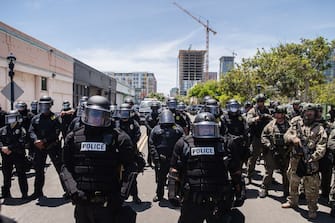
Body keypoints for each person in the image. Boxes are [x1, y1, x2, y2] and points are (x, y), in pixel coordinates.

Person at [60, 95, 137, 223]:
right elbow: (65, 167)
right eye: (92, 114)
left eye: (99, 115)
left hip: (109, 203)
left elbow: (131, 167)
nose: (95, 118)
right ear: (85, 113)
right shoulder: (73, 138)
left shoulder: (119, 138)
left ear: (107, 116)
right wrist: (73, 191)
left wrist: (121, 194)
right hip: (82, 203)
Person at [168, 112, 244, 223]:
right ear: (194, 129)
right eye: (202, 129)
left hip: (219, 200)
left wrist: (240, 192)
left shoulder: (226, 144)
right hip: (192, 200)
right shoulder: (183, 144)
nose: (206, 132)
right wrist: (172, 192)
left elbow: (236, 171)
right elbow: (175, 170)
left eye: (209, 128)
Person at [282, 103, 327, 219]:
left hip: (311, 161)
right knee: (293, 181)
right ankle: (292, 201)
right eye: (307, 111)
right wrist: (293, 138)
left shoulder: (319, 128)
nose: (309, 113)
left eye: (311, 111)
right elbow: (286, 135)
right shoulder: (296, 123)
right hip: (295, 160)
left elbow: (322, 147)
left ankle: (312, 209)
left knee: (312, 187)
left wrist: (312, 158)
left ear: (315, 113)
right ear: (303, 112)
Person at [28, 95, 63, 200]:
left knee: (60, 169)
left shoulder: (55, 117)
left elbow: (56, 132)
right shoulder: (36, 118)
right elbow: (31, 131)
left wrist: (44, 140)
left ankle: (69, 191)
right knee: (38, 170)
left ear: (50, 105)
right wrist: (35, 140)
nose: (44, 107)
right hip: (39, 147)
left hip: (52, 146)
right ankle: (37, 192)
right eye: (42, 105)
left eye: (46, 105)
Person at [149, 109, 183, 202]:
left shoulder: (177, 129)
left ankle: (174, 196)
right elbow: (151, 144)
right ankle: (159, 195)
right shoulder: (156, 129)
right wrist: (155, 156)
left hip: (174, 158)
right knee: (161, 179)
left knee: (175, 178)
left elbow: (183, 142)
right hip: (162, 158)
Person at [220, 99, 249, 202]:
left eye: (235, 106)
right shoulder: (223, 118)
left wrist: (246, 144)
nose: (234, 108)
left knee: (238, 168)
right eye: (232, 106)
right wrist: (231, 138)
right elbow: (222, 133)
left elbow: (246, 131)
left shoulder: (241, 118)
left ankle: (238, 189)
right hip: (228, 146)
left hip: (240, 146)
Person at [259, 105, 290, 198]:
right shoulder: (270, 125)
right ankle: (264, 188)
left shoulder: (290, 125)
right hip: (271, 151)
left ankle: (286, 190)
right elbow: (263, 136)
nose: (279, 116)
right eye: (277, 114)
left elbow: (294, 136)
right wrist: (268, 145)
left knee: (286, 172)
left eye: (281, 114)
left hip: (286, 151)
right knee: (269, 171)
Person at [0, 110, 28, 199]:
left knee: (21, 174)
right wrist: (2, 148)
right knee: (6, 174)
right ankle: (6, 193)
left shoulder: (21, 129)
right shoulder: (3, 129)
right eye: (9, 118)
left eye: (13, 118)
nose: (11, 120)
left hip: (18, 155)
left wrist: (9, 148)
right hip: (6, 155)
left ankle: (24, 193)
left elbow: (21, 141)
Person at [246, 93, 272, 184]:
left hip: (266, 137)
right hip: (256, 138)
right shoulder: (253, 111)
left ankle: (268, 179)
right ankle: (249, 176)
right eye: (259, 101)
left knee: (268, 159)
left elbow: (272, 120)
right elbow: (248, 120)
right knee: (253, 158)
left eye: (262, 101)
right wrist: (256, 118)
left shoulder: (267, 110)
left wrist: (268, 117)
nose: (261, 103)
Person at [119, 103, 142, 204]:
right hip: (118, 153)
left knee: (132, 175)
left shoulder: (134, 123)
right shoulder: (116, 122)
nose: (124, 115)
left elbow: (138, 135)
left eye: (126, 113)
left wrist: (130, 143)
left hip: (131, 153)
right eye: (123, 113)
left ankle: (135, 196)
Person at [144, 101, 160, 167]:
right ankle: (149, 162)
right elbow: (146, 123)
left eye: (156, 108)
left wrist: (156, 130)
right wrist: (151, 129)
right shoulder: (148, 116)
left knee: (158, 148)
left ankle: (157, 161)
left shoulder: (160, 115)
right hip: (150, 134)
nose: (154, 109)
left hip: (158, 134)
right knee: (150, 148)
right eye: (153, 108)